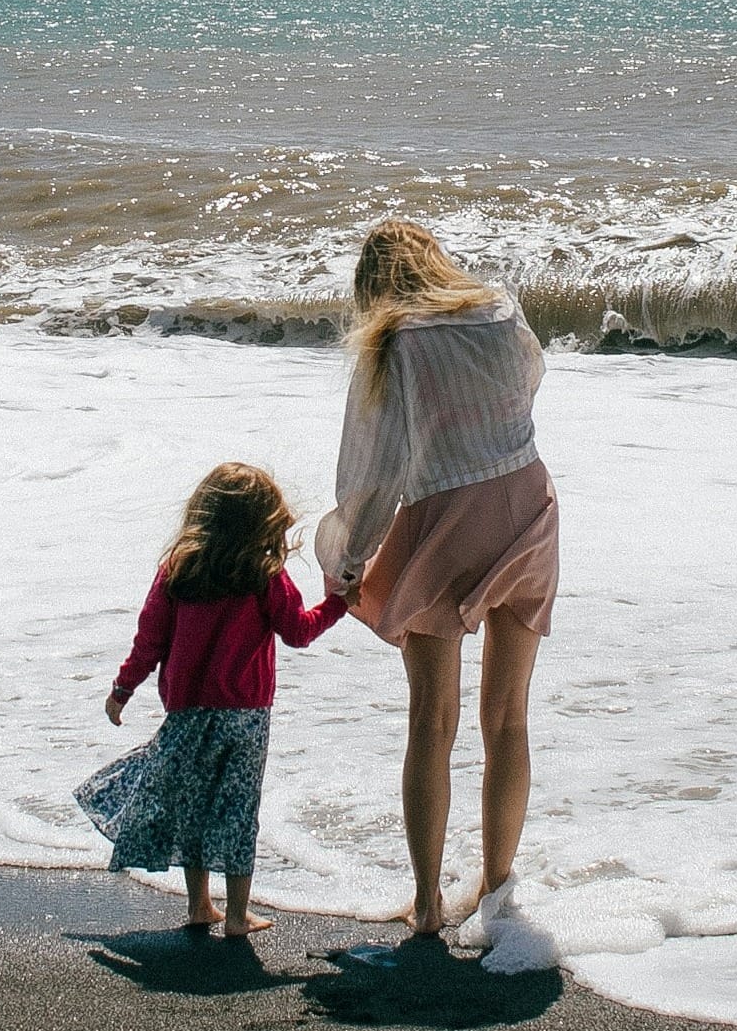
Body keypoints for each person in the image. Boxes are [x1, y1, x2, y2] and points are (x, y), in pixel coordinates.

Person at [315, 219, 559, 937]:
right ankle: (496, 887)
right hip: (528, 504)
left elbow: (372, 475)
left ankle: (426, 904)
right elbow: (529, 382)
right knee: (508, 716)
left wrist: (348, 563)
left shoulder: (393, 342)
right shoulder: (501, 307)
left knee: (433, 718)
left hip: (447, 519)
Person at [76, 462, 352, 938]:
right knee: (238, 811)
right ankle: (238, 915)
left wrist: (122, 689)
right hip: (246, 717)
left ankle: (200, 905)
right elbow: (298, 632)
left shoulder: (178, 569)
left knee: (195, 807)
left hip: (188, 714)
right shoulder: (265, 574)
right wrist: (339, 603)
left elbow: (149, 640)